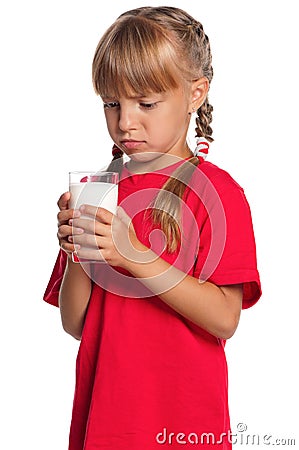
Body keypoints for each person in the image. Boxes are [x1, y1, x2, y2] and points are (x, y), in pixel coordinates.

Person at [44, 6, 261, 450]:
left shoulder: (219, 195)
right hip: (106, 422)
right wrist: (80, 253)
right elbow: (75, 323)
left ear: (196, 92)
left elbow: (224, 319)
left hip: (184, 424)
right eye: (111, 103)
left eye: (146, 103)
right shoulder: (98, 191)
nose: (125, 122)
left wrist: (134, 255)